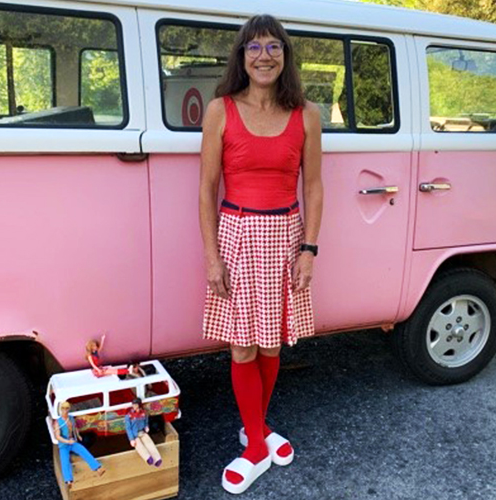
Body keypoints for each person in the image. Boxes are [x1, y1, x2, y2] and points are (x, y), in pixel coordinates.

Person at [199, 13, 323, 495]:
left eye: (273, 47)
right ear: (242, 57)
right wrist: (212, 258)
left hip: (286, 238)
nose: (264, 55)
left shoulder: (306, 114)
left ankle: (255, 427)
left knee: (271, 344)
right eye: (254, 47)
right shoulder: (220, 110)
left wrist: (309, 249)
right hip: (236, 235)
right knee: (242, 345)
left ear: (285, 56)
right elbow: (207, 188)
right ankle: (255, 443)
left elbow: (312, 187)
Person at [53, 401, 105, 487]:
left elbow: (75, 428)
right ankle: (68, 480)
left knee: (83, 450)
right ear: (60, 410)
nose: (65, 411)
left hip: (72, 441)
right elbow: (58, 437)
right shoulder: (58, 422)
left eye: (67, 408)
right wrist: (67, 441)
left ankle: (97, 468)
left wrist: (78, 435)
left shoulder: (71, 418)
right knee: (65, 461)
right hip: (64, 445)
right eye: (63, 409)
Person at [125, 398, 163, 467]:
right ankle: (148, 458)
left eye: (135, 404)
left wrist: (146, 426)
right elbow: (128, 428)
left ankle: (157, 458)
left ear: (139, 405)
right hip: (134, 434)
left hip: (142, 432)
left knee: (149, 442)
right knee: (139, 446)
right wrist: (131, 439)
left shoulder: (143, 413)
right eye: (133, 404)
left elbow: (146, 421)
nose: (134, 406)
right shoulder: (129, 416)